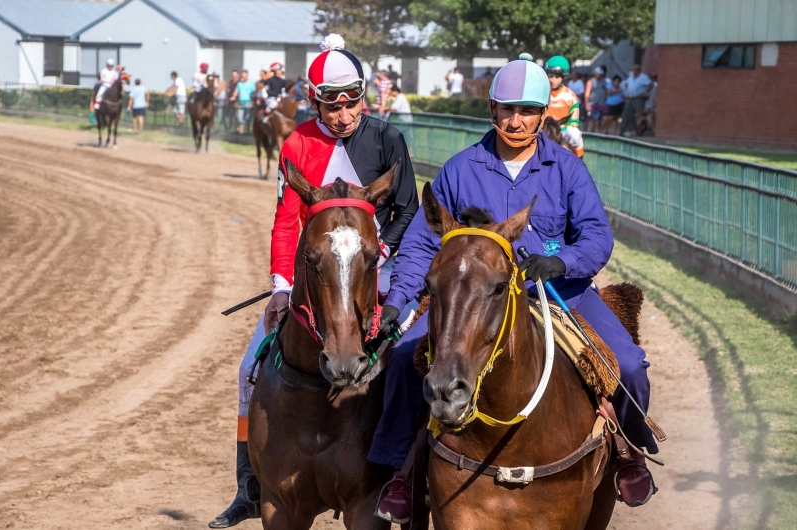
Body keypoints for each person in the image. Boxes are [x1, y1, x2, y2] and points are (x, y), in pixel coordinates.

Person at [372, 52, 659, 524]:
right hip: (473, 301)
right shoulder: (461, 169)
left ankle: (630, 452)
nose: (517, 120)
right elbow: (424, 243)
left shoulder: (567, 169)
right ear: (492, 109)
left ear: (544, 115)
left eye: (528, 110)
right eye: (508, 109)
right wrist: (400, 299)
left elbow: (596, 235)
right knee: (405, 357)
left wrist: (561, 259)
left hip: (559, 294)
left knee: (627, 364)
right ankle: (401, 471)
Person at [208, 33, 420, 528]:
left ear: (364, 96)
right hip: (317, 272)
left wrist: (380, 251)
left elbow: (407, 207)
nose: (344, 115)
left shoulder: (388, 138)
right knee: (247, 368)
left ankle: (413, 480)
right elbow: (287, 220)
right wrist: (282, 286)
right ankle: (249, 483)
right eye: (332, 105)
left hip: (380, 267)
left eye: (352, 103)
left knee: (418, 362)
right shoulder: (297, 143)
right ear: (314, 101)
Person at [545, 55, 584, 157]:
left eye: (557, 77)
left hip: (563, 132)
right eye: (550, 76)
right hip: (543, 130)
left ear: (563, 77)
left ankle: (579, 160)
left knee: (575, 134)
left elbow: (573, 123)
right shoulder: (541, 94)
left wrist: (558, 131)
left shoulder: (571, 97)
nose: (552, 80)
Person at [620, 64, 652, 137]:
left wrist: (646, 92)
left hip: (638, 98)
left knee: (639, 114)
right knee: (628, 114)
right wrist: (627, 92)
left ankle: (640, 131)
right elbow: (627, 84)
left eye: (636, 69)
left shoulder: (643, 77)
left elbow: (650, 84)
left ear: (639, 70)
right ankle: (628, 130)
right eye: (633, 69)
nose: (634, 71)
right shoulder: (631, 77)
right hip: (630, 98)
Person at [584, 66, 608, 133]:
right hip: (593, 104)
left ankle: (600, 132)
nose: (600, 75)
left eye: (601, 74)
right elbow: (587, 94)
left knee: (603, 119)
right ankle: (592, 133)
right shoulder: (590, 81)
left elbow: (606, 92)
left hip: (602, 103)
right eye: (599, 74)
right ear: (595, 73)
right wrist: (587, 104)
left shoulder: (604, 81)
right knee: (593, 120)